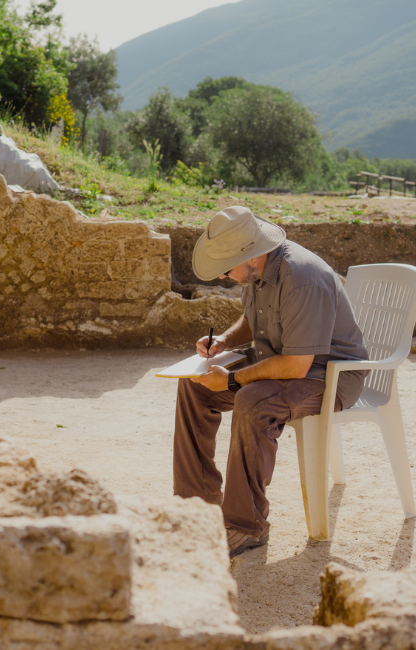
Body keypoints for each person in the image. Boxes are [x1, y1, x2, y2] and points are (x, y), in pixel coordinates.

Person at [174, 206, 369, 558]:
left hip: (329, 374)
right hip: (285, 358)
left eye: (225, 269)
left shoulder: (302, 277)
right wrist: (224, 343)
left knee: (253, 401)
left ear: (251, 257)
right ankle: (196, 504)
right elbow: (254, 317)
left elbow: (297, 364)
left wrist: (232, 380)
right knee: (194, 385)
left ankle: (246, 525)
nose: (222, 278)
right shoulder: (257, 272)